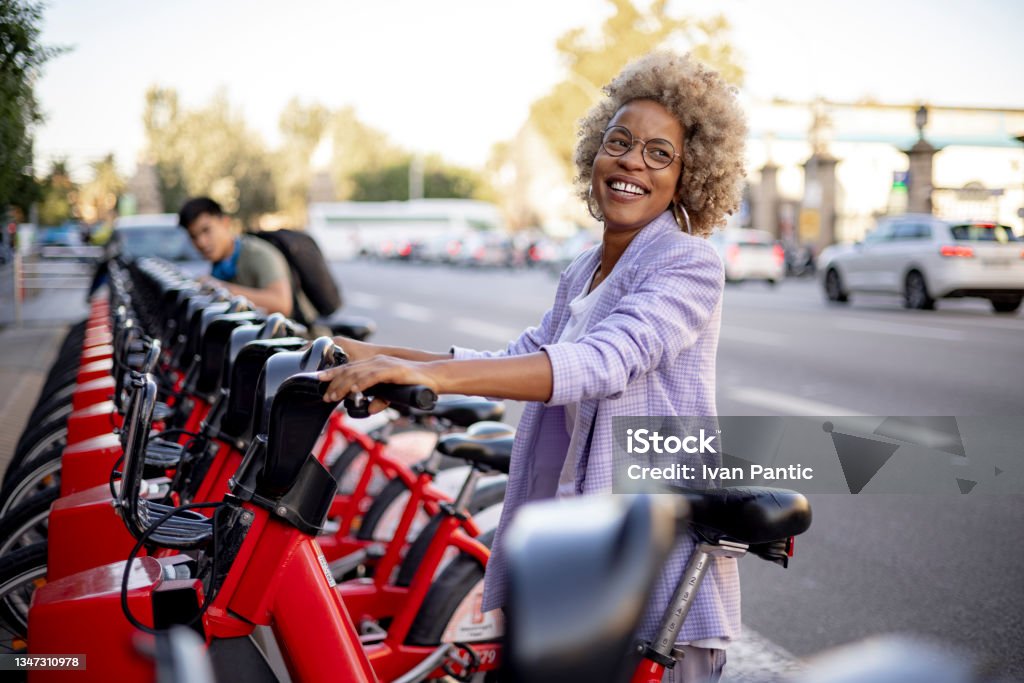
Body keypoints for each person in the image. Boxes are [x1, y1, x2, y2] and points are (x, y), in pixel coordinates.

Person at [318, 51, 747, 682]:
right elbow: (519, 359)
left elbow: (601, 363)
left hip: (651, 566)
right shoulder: (584, 268)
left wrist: (429, 378)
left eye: (660, 153)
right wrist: (382, 361)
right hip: (576, 546)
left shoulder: (688, 263)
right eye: (619, 142)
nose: (631, 160)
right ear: (593, 156)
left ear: (689, 177)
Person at [178, 196, 312, 320]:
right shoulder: (219, 265)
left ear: (225, 223)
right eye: (194, 237)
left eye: (206, 230)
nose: (201, 242)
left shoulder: (257, 254)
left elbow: (282, 305)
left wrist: (220, 288)